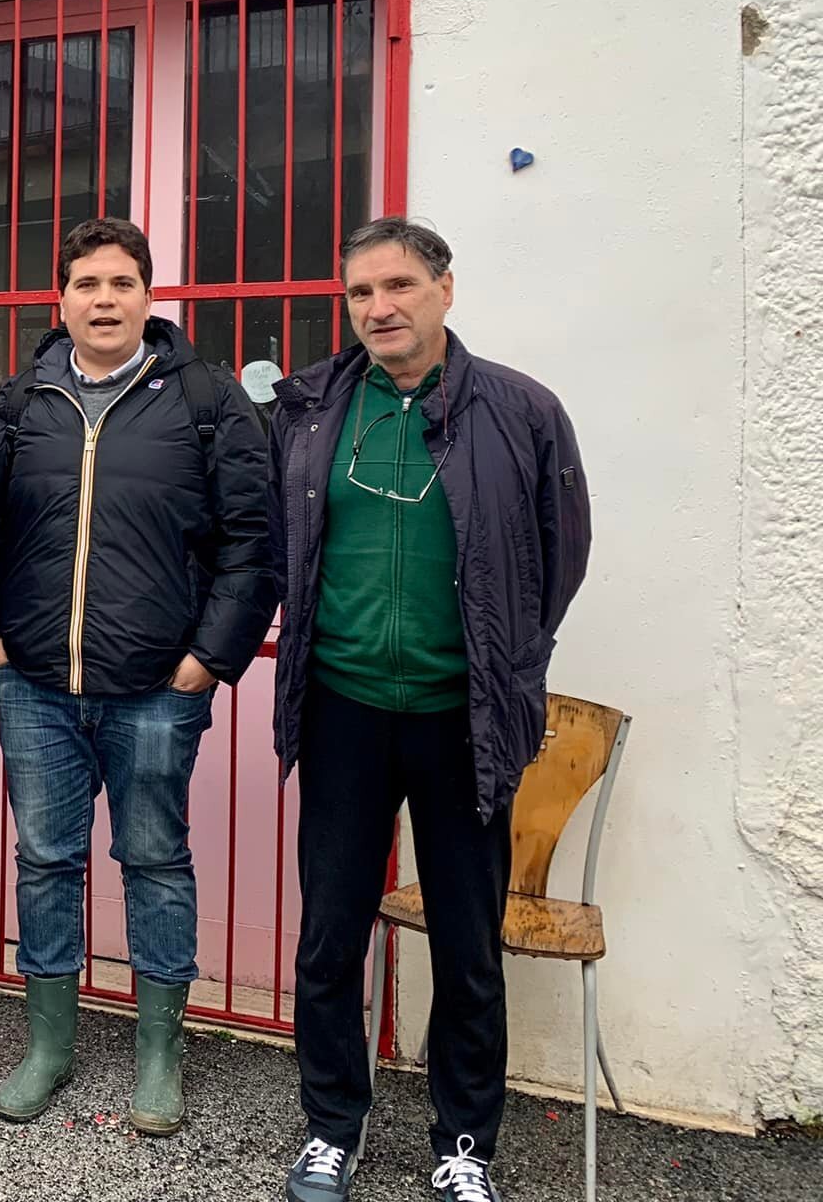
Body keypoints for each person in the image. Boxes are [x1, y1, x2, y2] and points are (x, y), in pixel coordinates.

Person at [270, 218, 590, 1202]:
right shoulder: (310, 410)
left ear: (445, 289)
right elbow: (276, 539)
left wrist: (506, 660)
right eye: (360, 292)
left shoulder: (521, 411)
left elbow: (560, 554)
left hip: (464, 720)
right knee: (330, 935)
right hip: (343, 710)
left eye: (399, 285)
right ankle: (332, 1126)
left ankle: (463, 1144)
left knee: (466, 944)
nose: (379, 308)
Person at [0, 217, 276, 1137]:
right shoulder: (21, 402)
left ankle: (158, 1055)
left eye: (121, 283)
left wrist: (205, 661)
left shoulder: (209, 401)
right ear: (60, 298)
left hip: (155, 689)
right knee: (45, 861)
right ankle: (49, 1045)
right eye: (87, 283)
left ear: (148, 295)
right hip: (34, 684)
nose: (104, 300)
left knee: (154, 860)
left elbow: (253, 542)